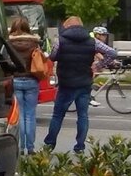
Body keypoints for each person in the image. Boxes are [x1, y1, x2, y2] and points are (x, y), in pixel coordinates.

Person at [43, 16, 119, 154]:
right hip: (84, 83)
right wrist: (98, 65)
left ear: (67, 26)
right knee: (83, 115)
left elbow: (52, 56)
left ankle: (49, 144)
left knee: (58, 115)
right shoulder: (92, 41)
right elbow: (112, 53)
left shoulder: (60, 41)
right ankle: (80, 147)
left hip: (66, 83)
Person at [6, 15, 41, 155]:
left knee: (19, 115)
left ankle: (20, 148)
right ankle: (30, 148)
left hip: (15, 80)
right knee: (30, 114)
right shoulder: (34, 43)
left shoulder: (8, 43)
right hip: (31, 80)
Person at [89, 26, 118, 107]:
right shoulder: (94, 41)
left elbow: (103, 54)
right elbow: (98, 54)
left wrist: (113, 61)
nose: (105, 37)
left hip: (91, 61)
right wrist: (106, 62)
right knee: (94, 70)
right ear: (97, 35)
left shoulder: (100, 43)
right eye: (103, 35)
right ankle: (88, 96)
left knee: (98, 70)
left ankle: (91, 88)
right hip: (87, 63)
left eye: (106, 35)